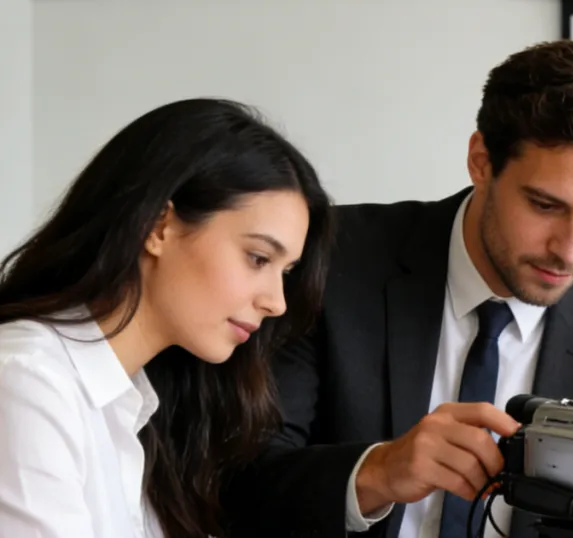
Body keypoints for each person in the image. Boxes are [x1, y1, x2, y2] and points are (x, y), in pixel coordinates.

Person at [220, 40, 573, 538]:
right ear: (481, 161)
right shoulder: (332, 260)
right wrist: (379, 473)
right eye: (546, 206)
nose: (571, 250)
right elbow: (234, 480)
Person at [0, 98, 334, 538]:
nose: (277, 303)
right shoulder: (27, 382)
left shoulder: (147, 412)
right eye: (257, 258)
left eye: (285, 273)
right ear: (158, 227)